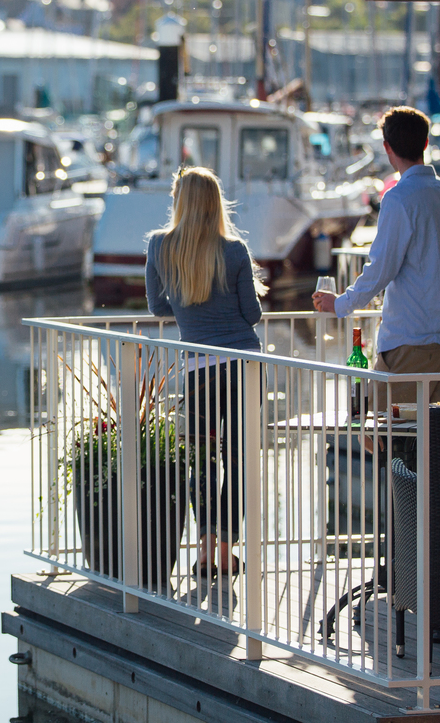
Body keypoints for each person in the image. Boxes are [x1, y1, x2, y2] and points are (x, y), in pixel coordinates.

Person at [313, 106, 440, 405]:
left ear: (387, 147)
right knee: (434, 440)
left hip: (411, 341)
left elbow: (381, 269)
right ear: (426, 143)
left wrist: (340, 304)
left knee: (382, 434)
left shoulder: (399, 198)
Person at [146, 166, 265, 578]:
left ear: (179, 201)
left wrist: (188, 305)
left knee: (199, 460)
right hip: (244, 366)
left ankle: (202, 551)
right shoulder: (234, 250)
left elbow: (158, 308)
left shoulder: (160, 246)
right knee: (240, 459)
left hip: (198, 368)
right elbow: (253, 313)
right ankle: (226, 548)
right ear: (215, 203)